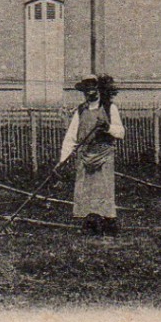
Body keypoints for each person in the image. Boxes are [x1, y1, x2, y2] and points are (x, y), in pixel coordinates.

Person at [59, 75, 125, 235]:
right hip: (85, 156)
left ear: (99, 89)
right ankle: (90, 223)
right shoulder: (80, 110)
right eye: (86, 89)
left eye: (93, 88)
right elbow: (71, 137)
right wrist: (62, 159)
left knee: (103, 190)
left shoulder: (110, 109)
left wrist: (108, 127)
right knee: (85, 191)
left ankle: (107, 223)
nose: (90, 92)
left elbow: (121, 132)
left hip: (103, 156)